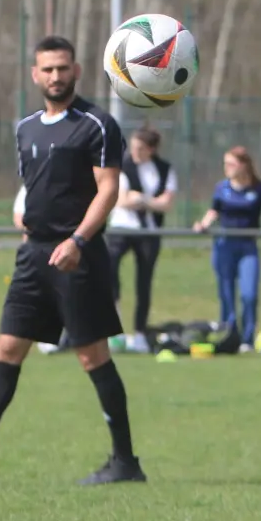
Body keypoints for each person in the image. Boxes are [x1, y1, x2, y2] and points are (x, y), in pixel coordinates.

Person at [0, 35, 146, 486]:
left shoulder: (97, 124)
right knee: (6, 348)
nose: (56, 76)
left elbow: (108, 190)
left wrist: (78, 240)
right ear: (35, 74)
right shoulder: (25, 128)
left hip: (78, 256)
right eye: (48, 69)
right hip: (33, 256)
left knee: (92, 356)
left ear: (76, 71)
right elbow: (34, 187)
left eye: (63, 68)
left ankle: (125, 461)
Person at [192, 146, 261, 352]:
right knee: (226, 294)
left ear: (244, 165)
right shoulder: (222, 188)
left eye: (231, 164)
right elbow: (214, 210)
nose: (227, 168)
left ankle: (247, 338)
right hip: (224, 245)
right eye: (225, 164)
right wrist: (203, 224)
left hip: (248, 247)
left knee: (249, 294)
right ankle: (229, 336)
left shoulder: (260, 189)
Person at [107, 126, 177, 353]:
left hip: (149, 232)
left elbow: (166, 203)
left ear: (151, 149)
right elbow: (121, 200)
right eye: (133, 147)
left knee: (144, 282)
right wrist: (150, 201)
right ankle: (114, 324)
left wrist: (142, 199)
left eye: (140, 148)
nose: (135, 152)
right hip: (122, 228)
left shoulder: (164, 169)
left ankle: (140, 333)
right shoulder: (122, 166)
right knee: (109, 269)